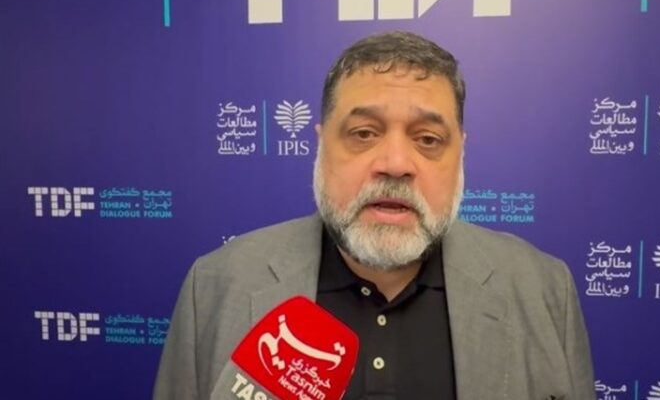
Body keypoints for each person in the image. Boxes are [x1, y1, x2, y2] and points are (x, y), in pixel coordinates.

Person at [153, 31, 595, 399]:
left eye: (427, 139)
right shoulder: (214, 287)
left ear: (461, 153)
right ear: (320, 145)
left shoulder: (543, 289)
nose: (396, 164)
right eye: (364, 133)